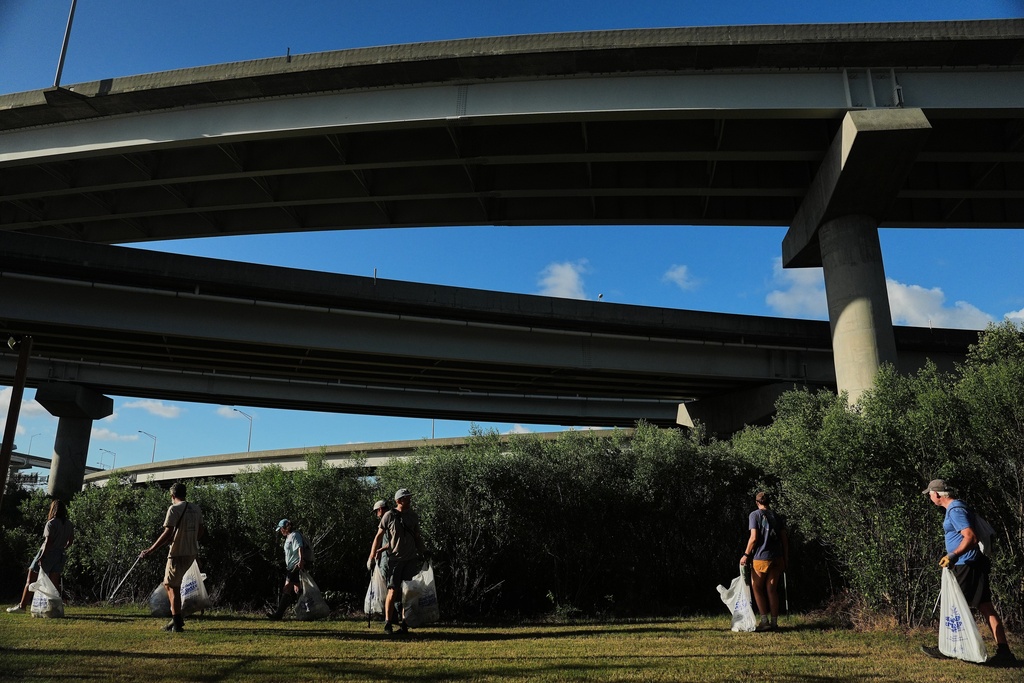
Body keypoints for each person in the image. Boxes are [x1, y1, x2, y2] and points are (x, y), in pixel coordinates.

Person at [920, 479, 1017, 665]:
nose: (930, 497)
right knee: (985, 606)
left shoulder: (955, 510)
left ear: (937, 494)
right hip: (972, 562)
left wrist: (953, 555)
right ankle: (1004, 652)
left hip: (966, 564)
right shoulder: (958, 508)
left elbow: (970, 537)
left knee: (955, 607)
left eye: (930, 494)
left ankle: (950, 648)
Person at [139, 482, 205, 633]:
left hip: (177, 553)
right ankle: (177, 619)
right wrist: (189, 539)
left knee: (171, 586)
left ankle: (177, 623)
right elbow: (201, 531)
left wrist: (150, 550)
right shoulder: (196, 508)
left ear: (172, 495)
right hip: (191, 552)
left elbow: (167, 533)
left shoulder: (174, 509)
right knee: (173, 584)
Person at [369, 488, 427, 635]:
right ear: (399, 500)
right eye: (407, 498)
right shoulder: (389, 516)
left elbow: (417, 536)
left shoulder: (413, 516)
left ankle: (405, 624)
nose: (410, 500)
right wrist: (371, 557)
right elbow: (378, 537)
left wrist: (424, 552)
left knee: (407, 593)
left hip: (411, 560)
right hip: (395, 560)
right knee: (392, 590)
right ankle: (388, 623)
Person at [7, 499, 75, 614]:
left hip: (48, 553)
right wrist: (62, 548)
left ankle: (22, 606)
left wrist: (42, 556)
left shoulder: (51, 523)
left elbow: (48, 542)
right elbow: (71, 541)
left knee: (31, 579)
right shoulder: (69, 524)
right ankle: (55, 608)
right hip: (60, 555)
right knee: (54, 584)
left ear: (53, 510)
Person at [739, 491, 789, 632]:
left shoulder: (754, 515)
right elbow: (784, 539)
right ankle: (774, 622)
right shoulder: (776, 516)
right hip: (777, 558)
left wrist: (746, 554)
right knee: (772, 590)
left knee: (757, 588)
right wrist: (786, 558)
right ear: (769, 502)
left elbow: (753, 538)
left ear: (757, 502)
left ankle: (764, 620)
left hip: (761, 558)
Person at [268, 518, 312, 620]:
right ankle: (306, 613)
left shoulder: (295, 535)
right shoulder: (289, 537)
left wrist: (301, 561)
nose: (280, 531)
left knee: (286, 588)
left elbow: (299, 547)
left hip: (295, 566)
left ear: (285, 528)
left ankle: (278, 614)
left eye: (281, 529)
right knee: (298, 589)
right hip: (291, 566)